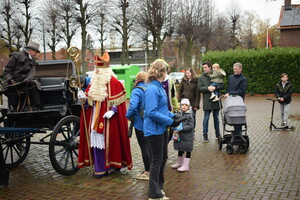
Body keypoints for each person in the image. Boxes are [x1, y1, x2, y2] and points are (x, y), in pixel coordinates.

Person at [77, 51, 132, 178]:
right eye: (96, 69)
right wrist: (84, 97)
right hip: (95, 117)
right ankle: (99, 168)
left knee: (111, 143)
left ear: (105, 70)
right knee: (96, 142)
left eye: (99, 70)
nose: (96, 72)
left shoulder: (114, 83)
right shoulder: (93, 83)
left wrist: (113, 110)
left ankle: (112, 166)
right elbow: (89, 101)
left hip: (110, 120)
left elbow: (120, 103)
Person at [144, 59, 186, 200]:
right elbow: (151, 112)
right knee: (156, 161)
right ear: (161, 72)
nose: (167, 74)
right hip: (154, 130)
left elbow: (163, 109)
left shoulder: (159, 87)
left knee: (162, 159)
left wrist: (174, 116)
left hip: (161, 128)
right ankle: (154, 194)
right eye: (166, 71)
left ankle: (159, 188)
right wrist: (170, 121)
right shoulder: (151, 89)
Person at [126, 71, 151, 181]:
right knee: (150, 146)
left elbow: (133, 105)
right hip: (150, 121)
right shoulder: (150, 88)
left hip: (140, 123)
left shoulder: (137, 90)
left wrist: (128, 115)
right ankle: (152, 169)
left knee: (144, 147)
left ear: (137, 79)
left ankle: (147, 171)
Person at [3, 41, 41, 111]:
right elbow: (7, 70)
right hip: (13, 82)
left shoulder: (33, 61)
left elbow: (32, 72)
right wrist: (10, 79)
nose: (36, 54)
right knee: (12, 90)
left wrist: (27, 79)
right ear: (30, 50)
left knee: (34, 84)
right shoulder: (16, 56)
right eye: (35, 52)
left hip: (24, 82)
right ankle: (14, 109)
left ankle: (37, 107)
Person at [198, 62, 224, 143]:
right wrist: (208, 88)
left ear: (210, 68)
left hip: (216, 101)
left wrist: (215, 87)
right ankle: (205, 135)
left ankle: (218, 134)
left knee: (216, 118)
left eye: (206, 67)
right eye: (203, 68)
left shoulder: (216, 74)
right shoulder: (201, 78)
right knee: (206, 118)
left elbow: (222, 85)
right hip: (207, 101)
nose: (204, 69)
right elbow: (199, 88)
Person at [171, 98, 194, 172]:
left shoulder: (190, 116)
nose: (184, 106)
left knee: (187, 150)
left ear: (188, 107)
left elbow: (191, 126)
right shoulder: (178, 114)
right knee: (180, 149)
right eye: (182, 105)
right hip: (179, 136)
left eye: (186, 105)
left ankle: (186, 165)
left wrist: (182, 128)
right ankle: (179, 162)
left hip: (187, 136)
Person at [224, 62, 248, 132]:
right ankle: (235, 133)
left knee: (238, 118)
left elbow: (241, 91)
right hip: (230, 101)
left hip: (238, 101)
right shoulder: (231, 77)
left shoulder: (243, 79)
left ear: (240, 69)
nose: (234, 70)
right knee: (232, 117)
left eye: (236, 69)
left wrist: (230, 93)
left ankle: (238, 133)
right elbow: (229, 87)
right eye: (234, 69)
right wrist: (227, 93)